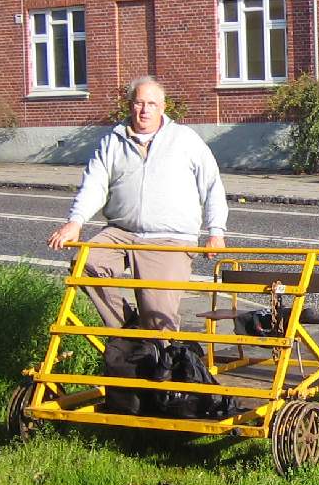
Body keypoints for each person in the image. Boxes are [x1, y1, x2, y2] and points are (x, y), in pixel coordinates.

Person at [48, 75, 227, 332]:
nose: (144, 110)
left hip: (170, 237)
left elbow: (212, 186)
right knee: (85, 265)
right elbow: (94, 185)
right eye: (139, 103)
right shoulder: (112, 141)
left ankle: (162, 361)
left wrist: (216, 232)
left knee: (157, 320)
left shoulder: (185, 140)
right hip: (122, 232)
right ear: (130, 105)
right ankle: (129, 333)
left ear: (163, 107)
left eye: (152, 104)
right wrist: (75, 222)